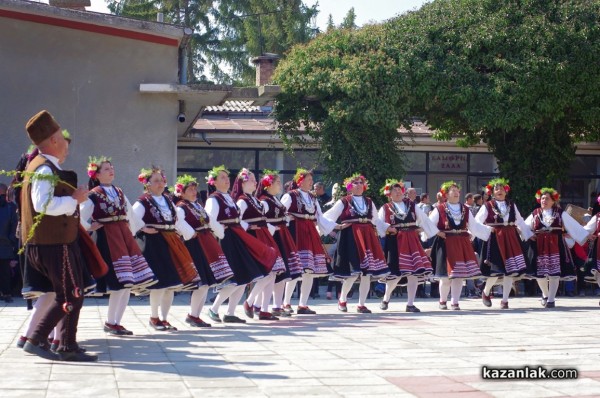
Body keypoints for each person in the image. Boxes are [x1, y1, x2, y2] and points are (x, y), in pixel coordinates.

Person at [20, 110, 97, 361]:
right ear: (53, 140)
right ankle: (38, 339)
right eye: (61, 136)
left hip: (55, 243)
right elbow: (43, 204)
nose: (65, 141)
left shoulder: (42, 166)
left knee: (73, 292)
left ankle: (66, 345)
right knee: (69, 295)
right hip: (54, 244)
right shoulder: (43, 168)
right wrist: (73, 200)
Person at [80, 157, 156, 335]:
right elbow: (79, 214)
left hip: (123, 237)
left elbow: (130, 214)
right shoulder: (93, 194)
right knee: (119, 282)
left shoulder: (119, 192)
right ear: (96, 174)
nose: (111, 170)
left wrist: (137, 230)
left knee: (127, 282)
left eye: (112, 168)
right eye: (106, 169)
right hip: (107, 239)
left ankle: (116, 321)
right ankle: (110, 322)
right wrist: (89, 227)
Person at [132, 166, 200, 331]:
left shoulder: (168, 200)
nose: (160, 183)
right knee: (160, 284)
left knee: (172, 284)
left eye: (162, 180)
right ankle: (154, 318)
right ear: (147, 184)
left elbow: (176, 220)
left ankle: (164, 318)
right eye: (156, 181)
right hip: (155, 245)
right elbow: (132, 218)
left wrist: (188, 233)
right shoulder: (143, 201)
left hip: (171, 243)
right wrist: (143, 228)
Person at [204, 165, 274, 323]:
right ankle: (214, 308)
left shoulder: (228, 197)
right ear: (213, 182)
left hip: (238, 238)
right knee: (234, 279)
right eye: (222, 177)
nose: (226, 180)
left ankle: (230, 312)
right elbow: (209, 219)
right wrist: (220, 231)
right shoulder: (213, 198)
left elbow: (238, 219)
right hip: (227, 240)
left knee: (245, 277)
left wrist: (245, 228)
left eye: (227, 177)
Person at [172, 175, 235, 327]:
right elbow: (178, 223)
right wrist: (190, 233)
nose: (194, 192)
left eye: (195, 189)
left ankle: (196, 315)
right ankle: (193, 315)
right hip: (195, 245)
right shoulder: (181, 207)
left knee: (207, 283)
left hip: (206, 243)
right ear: (182, 192)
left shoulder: (197, 206)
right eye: (190, 189)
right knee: (201, 283)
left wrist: (219, 231)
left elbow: (210, 220)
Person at [323, 173, 390, 313]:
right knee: (352, 273)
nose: (359, 185)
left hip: (367, 237)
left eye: (361, 182)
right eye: (356, 183)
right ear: (349, 187)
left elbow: (375, 220)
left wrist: (388, 228)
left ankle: (362, 304)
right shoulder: (344, 201)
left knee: (366, 273)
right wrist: (337, 226)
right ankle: (342, 300)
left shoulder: (369, 201)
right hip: (351, 237)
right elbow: (328, 216)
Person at [428, 181, 492, 310]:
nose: (457, 193)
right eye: (453, 190)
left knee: (459, 275)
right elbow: (429, 224)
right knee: (446, 277)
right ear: (446, 194)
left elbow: (473, 226)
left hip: (461, 243)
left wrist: (485, 231)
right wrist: (438, 232)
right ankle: (442, 301)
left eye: (457, 190)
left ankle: (455, 302)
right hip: (446, 243)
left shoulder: (465, 208)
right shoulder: (440, 208)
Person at [280, 168, 337, 314]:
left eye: (312, 180)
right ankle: (286, 303)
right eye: (309, 180)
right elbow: (279, 212)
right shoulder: (290, 195)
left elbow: (320, 217)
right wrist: (287, 220)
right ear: (300, 181)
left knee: (309, 271)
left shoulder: (312, 198)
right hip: (296, 233)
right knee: (296, 269)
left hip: (310, 233)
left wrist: (335, 226)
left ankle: (302, 304)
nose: (311, 182)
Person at [233, 168, 286, 321]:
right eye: (251, 179)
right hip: (252, 239)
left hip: (264, 236)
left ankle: (262, 308)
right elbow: (236, 220)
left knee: (273, 272)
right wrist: (248, 226)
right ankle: (250, 303)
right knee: (267, 273)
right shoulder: (242, 201)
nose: (255, 182)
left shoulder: (254, 200)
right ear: (243, 182)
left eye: (255, 180)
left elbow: (263, 219)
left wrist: (271, 228)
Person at [378, 179, 437, 312]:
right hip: (396, 241)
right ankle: (386, 298)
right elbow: (378, 223)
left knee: (414, 273)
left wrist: (422, 229)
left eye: (399, 190)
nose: (398, 192)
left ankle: (410, 304)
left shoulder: (411, 204)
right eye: (395, 190)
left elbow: (423, 218)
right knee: (396, 274)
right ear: (389, 194)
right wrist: (388, 228)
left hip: (411, 240)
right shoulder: (385, 208)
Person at [524, 187, 587, 308]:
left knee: (554, 273)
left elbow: (573, 225)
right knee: (539, 273)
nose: (544, 200)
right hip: (539, 245)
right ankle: (545, 294)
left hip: (555, 245)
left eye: (547, 198)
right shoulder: (535, 213)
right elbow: (525, 227)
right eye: (542, 198)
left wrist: (585, 234)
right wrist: (530, 235)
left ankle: (551, 299)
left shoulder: (560, 213)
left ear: (553, 201)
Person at [475, 179, 531, 309]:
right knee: (496, 270)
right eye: (496, 189)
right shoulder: (487, 206)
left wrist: (528, 235)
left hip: (511, 238)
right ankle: (486, 292)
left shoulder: (512, 205)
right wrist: (487, 229)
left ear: (506, 191)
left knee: (509, 271)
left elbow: (520, 221)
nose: (499, 191)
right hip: (495, 239)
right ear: (492, 192)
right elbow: (477, 221)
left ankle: (505, 300)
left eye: (501, 189)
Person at [258, 170, 303, 317]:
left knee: (283, 274)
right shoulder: (264, 201)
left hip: (282, 236)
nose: (280, 184)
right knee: (271, 273)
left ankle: (277, 305)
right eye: (277, 182)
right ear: (268, 185)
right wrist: (272, 228)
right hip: (273, 238)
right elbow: (260, 220)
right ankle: (257, 304)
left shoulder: (275, 199)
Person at [0, 183, 18, 302]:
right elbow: (14, 227)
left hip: (6, 245)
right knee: (5, 272)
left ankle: (6, 293)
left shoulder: (11, 207)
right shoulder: (11, 207)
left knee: (5, 271)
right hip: (6, 245)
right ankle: (6, 294)